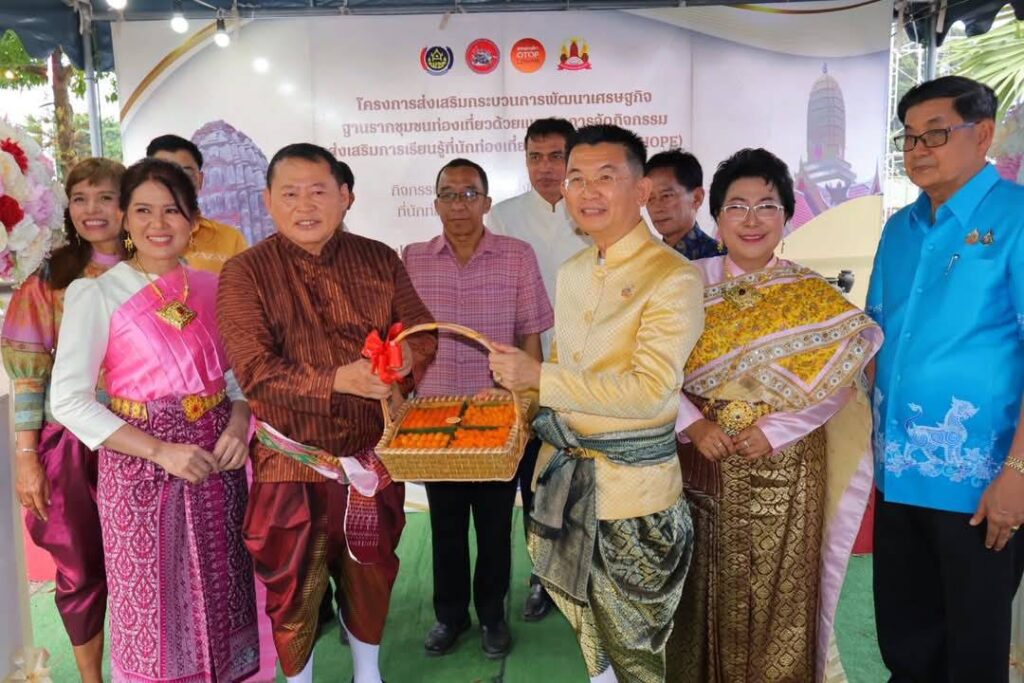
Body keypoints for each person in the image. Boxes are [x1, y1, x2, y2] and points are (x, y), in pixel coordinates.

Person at [488, 124, 703, 682]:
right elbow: (564, 369)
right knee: (591, 635)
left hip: (634, 497)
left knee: (638, 649)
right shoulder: (573, 272)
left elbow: (650, 391)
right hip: (565, 485)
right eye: (576, 179)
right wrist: (520, 397)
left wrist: (540, 377)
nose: (587, 191)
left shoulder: (673, 277)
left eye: (605, 177)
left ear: (641, 189)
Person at [217, 143, 437, 683]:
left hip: (369, 458)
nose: (305, 205)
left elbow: (421, 331)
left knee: (372, 570)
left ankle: (368, 673)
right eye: (290, 193)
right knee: (292, 584)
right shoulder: (245, 272)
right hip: (291, 463)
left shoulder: (379, 258)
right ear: (268, 201)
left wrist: (406, 358)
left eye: (318, 191)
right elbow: (255, 372)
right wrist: (340, 378)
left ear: (345, 197)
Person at [669, 148, 882, 682]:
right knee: (698, 587)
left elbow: (838, 383)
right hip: (700, 459)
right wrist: (692, 423)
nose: (752, 219)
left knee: (782, 588)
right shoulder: (681, 285)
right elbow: (649, 372)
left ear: (787, 215)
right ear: (716, 217)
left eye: (767, 205)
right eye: (737, 206)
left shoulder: (811, 293)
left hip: (788, 467)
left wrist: (775, 430)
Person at [50, 158, 259, 682]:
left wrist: (238, 424)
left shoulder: (216, 287)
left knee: (223, 596)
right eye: (143, 210)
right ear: (124, 217)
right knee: (155, 616)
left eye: (172, 210)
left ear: (194, 220)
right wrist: (161, 451)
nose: (158, 224)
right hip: (140, 475)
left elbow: (236, 381)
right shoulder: (97, 294)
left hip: (216, 466)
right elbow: (69, 400)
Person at [869, 76, 1024, 682]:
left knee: (973, 652)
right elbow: (873, 339)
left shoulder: (1015, 217)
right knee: (907, 644)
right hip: (899, 473)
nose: (918, 150)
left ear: (982, 135)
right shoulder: (899, 228)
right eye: (909, 137)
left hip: (980, 485)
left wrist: (1018, 472)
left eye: (935, 134)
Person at [403, 158, 553, 659]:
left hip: (497, 418)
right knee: (444, 526)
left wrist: (525, 405)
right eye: (448, 194)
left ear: (487, 203)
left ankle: (492, 615)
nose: (458, 204)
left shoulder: (516, 256)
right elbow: (404, 340)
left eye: (469, 194)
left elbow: (530, 334)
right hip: (435, 420)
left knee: (494, 526)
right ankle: (450, 616)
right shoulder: (414, 259)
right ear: (435, 204)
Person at [2, 158, 125, 683]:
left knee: (150, 563)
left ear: (127, 204)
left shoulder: (156, 267)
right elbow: (29, 376)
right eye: (80, 199)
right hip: (71, 446)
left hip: (147, 439)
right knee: (79, 568)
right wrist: (27, 457)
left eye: (106, 197)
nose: (92, 210)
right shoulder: (51, 278)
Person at [488, 116, 588, 621]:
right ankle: (537, 578)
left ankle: (577, 573)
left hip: (586, 374)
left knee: (578, 480)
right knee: (529, 481)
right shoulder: (504, 216)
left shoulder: (593, 211)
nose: (545, 168)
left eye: (556, 157)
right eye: (535, 157)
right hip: (523, 375)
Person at [146, 133, 248, 271]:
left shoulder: (230, 240)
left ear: (199, 180)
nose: (175, 183)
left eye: (185, 175)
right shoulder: (132, 237)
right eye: (163, 175)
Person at [644, 148, 723, 260]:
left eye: (666, 196)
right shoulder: (646, 260)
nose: (657, 208)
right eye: (650, 199)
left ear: (697, 198)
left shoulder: (720, 259)